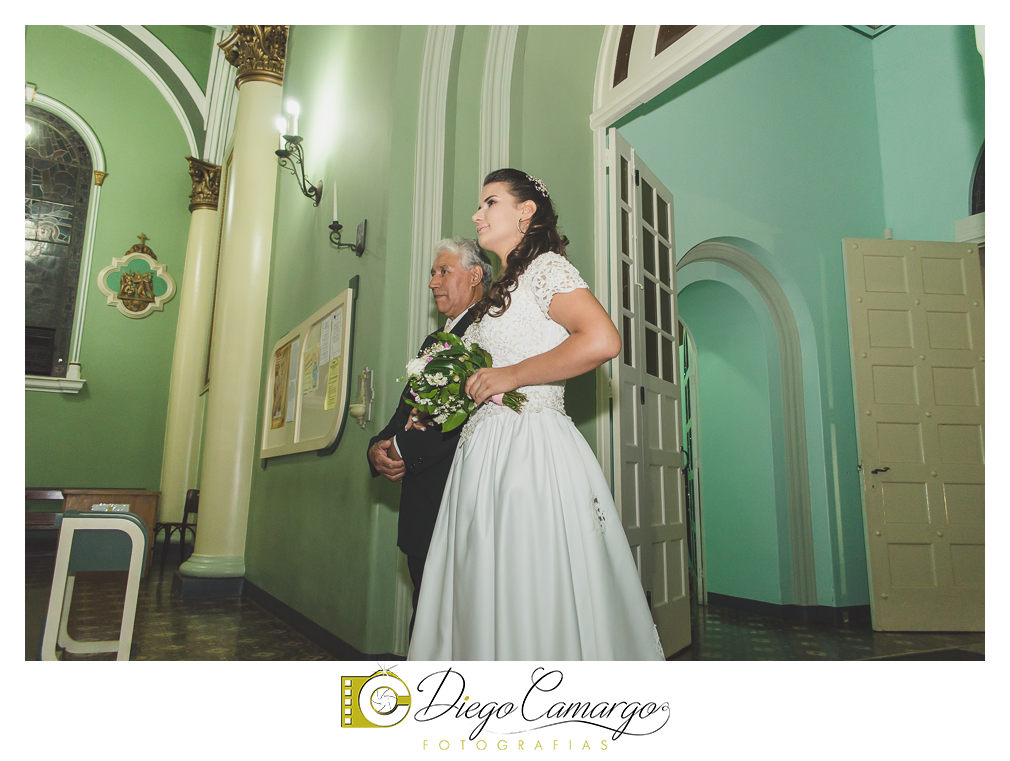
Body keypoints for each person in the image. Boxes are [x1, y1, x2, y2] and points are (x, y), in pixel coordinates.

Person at [407, 169, 665, 660]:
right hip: (483, 455)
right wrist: (445, 403)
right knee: (481, 584)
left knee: (527, 577)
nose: (477, 215)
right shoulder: (501, 288)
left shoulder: (547, 269)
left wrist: (511, 376)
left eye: (490, 202)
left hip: (528, 451)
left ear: (526, 211)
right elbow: (488, 372)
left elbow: (602, 340)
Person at [367, 237, 492, 640]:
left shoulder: (490, 334)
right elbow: (405, 413)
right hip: (423, 509)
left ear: (475, 276)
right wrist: (378, 449)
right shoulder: (434, 343)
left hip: (460, 499)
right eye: (432, 273)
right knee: (427, 621)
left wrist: (404, 451)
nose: (432, 282)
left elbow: (470, 417)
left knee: (459, 627)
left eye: (443, 271)